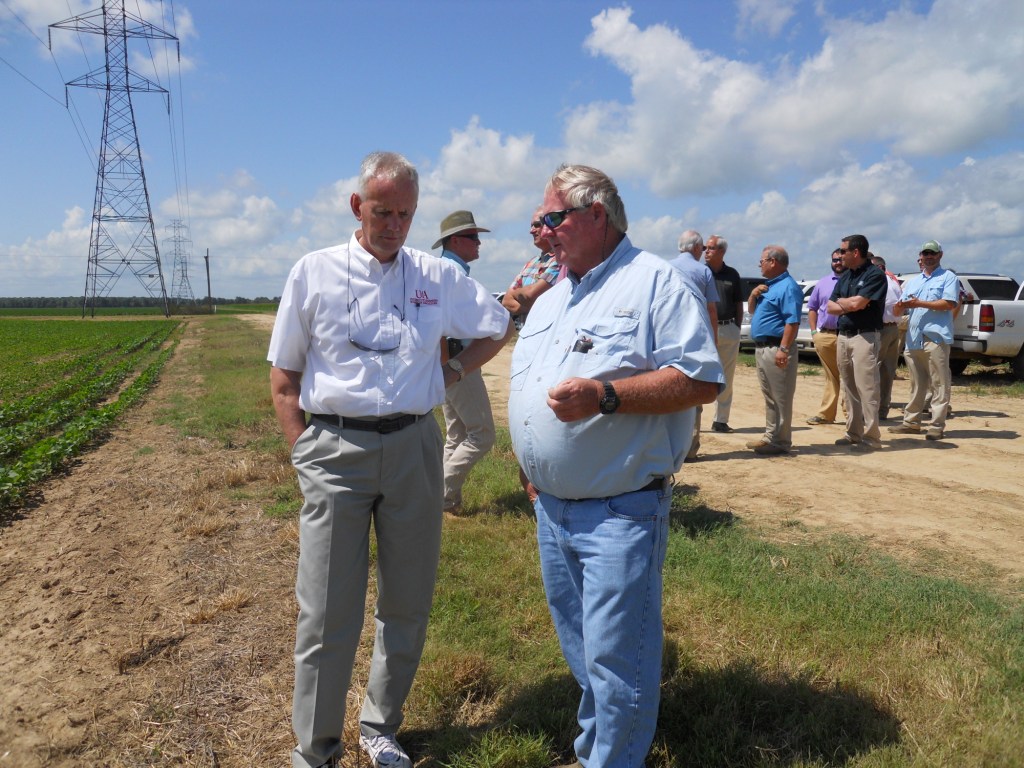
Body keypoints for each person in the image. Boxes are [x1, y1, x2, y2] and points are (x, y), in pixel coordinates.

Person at [268, 152, 512, 768]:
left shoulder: (436, 275)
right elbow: (284, 377)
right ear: (357, 207)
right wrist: (304, 448)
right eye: (383, 212)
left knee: (406, 600)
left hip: (414, 446)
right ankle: (316, 750)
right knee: (327, 610)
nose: (394, 225)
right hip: (334, 450)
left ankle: (381, 729)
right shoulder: (314, 272)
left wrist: (452, 368)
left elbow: (497, 322)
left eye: (405, 214)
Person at [508, 164, 723, 768]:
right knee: (584, 654)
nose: (542, 233)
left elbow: (700, 379)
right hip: (551, 509)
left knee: (617, 658)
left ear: (596, 214)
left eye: (551, 219)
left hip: (618, 510)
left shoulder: (653, 283)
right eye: (538, 222)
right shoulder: (555, 295)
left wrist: (606, 396)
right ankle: (595, 751)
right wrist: (532, 463)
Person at [433, 210, 497, 514]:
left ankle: (446, 503)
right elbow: (442, 324)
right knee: (482, 435)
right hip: (459, 364)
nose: (479, 243)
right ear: (456, 241)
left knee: (457, 434)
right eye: (473, 237)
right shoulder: (452, 274)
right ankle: (437, 493)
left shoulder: (443, 270)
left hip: (450, 363)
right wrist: (453, 366)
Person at [889, 240, 959, 440]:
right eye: (925, 253)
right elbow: (900, 308)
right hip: (914, 340)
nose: (929, 256)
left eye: (932, 253)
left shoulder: (948, 277)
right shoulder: (913, 282)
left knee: (939, 384)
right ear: (920, 255)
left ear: (940, 255)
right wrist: (899, 308)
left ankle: (936, 425)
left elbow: (948, 303)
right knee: (917, 384)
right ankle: (911, 422)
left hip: (935, 339)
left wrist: (918, 303)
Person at [827, 234, 887, 451]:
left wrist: (848, 304)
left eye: (843, 251)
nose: (840, 255)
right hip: (843, 335)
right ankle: (853, 433)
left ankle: (872, 437)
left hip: (865, 336)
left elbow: (860, 304)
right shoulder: (845, 277)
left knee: (867, 387)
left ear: (855, 252)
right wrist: (848, 304)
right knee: (849, 387)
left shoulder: (875, 275)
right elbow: (830, 307)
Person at [745, 246, 803, 455]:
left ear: (773, 262)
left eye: (762, 260)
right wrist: (753, 294)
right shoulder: (768, 287)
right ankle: (771, 436)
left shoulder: (788, 287)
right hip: (762, 348)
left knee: (781, 396)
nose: (759, 264)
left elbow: (792, 322)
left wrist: (784, 349)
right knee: (769, 395)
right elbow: (752, 310)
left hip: (776, 347)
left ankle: (781, 441)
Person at [669, 229, 719, 462]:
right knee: (694, 388)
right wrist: (714, 342)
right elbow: (711, 310)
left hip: (668, 336)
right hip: (696, 337)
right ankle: (689, 448)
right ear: (697, 248)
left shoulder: (665, 267)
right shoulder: (703, 271)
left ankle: (669, 445)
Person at [703, 234, 743, 433]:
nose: (706, 251)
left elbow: (738, 304)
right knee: (700, 374)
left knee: (726, 376)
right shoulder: (701, 272)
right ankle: (693, 420)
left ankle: (720, 420)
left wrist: (736, 327)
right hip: (705, 330)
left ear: (721, 251)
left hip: (728, 329)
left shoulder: (732, 274)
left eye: (710, 248)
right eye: (705, 248)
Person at [501, 206, 564, 323]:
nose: (531, 231)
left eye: (536, 225)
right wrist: (538, 306)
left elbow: (530, 295)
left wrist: (517, 294)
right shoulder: (530, 263)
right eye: (531, 226)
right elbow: (506, 301)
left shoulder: (561, 261)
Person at [805, 249, 845, 425]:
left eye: (841, 259)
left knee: (851, 376)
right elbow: (812, 308)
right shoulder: (822, 283)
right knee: (831, 376)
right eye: (835, 260)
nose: (838, 263)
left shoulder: (854, 281)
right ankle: (826, 414)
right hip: (826, 336)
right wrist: (815, 333)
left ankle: (852, 415)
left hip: (848, 336)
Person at [870, 254, 903, 421]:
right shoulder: (894, 282)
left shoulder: (880, 282)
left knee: (873, 370)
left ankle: (872, 410)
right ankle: (882, 409)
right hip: (893, 329)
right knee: (887, 372)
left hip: (881, 330)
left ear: (880, 268)